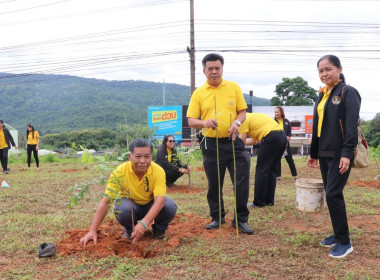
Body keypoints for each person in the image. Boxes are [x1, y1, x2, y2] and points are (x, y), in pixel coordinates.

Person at [187, 53, 253, 234]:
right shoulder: (198, 93)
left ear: (222, 69)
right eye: (210, 68)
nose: (214, 72)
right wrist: (205, 123)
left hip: (233, 142)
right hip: (210, 144)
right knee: (214, 184)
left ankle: (240, 220)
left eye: (217, 68)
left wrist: (237, 123)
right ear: (204, 71)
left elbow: (242, 112)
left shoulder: (233, 87)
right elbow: (192, 120)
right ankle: (217, 217)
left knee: (241, 182)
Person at [307, 55, 361, 259]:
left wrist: (347, 152)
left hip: (340, 153)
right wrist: (313, 153)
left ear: (339, 69)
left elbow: (350, 126)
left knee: (332, 194)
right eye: (320, 71)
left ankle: (345, 242)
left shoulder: (348, 92)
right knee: (332, 195)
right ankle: (338, 234)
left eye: (328, 69)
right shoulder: (322, 95)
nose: (324, 74)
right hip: (324, 153)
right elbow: (317, 127)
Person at [80, 138, 178, 248]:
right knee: (122, 209)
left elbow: (159, 202)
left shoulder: (158, 171)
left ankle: (159, 229)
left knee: (169, 205)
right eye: (138, 156)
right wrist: (93, 230)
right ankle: (130, 230)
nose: (142, 161)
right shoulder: (119, 172)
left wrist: (144, 222)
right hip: (131, 206)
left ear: (151, 156)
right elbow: (106, 202)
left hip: (150, 205)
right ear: (130, 157)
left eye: (147, 156)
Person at [239, 113, 287, 207]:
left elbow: (241, 142)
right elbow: (253, 141)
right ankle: (269, 201)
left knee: (261, 170)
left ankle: (259, 202)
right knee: (271, 170)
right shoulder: (251, 117)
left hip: (271, 137)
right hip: (281, 137)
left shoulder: (242, 119)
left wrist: (232, 142)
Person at [274, 106, 298, 180]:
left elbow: (289, 131)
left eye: (277, 112)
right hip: (277, 143)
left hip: (286, 144)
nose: (276, 113)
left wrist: (288, 136)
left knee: (290, 159)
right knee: (277, 160)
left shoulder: (286, 121)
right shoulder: (273, 122)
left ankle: (295, 175)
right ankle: (278, 176)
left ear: (281, 112)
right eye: (275, 112)